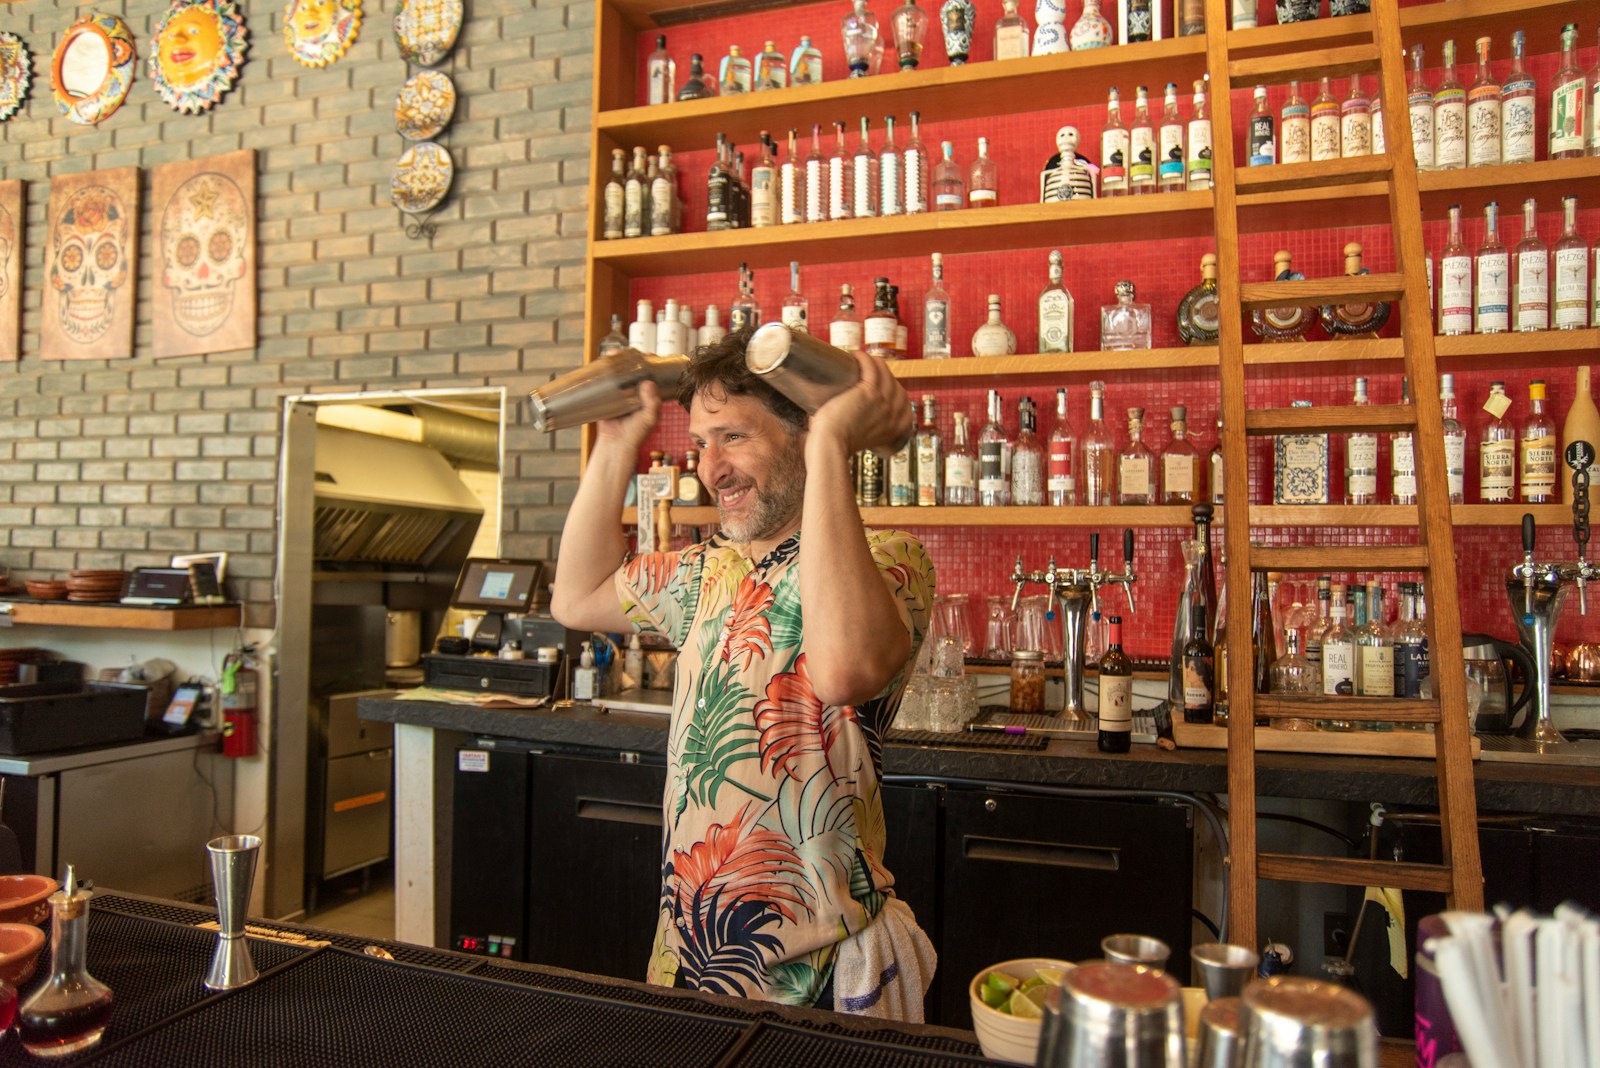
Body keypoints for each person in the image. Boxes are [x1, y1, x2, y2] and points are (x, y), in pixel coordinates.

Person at [551, 329, 937, 1015]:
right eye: (701, 443)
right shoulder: (705, 570)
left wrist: (830, 448)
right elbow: (575, 597)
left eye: (733, 438)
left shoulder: (889, 558)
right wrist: (615, 443)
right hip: (689, 953)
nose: (711, 468)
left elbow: (847, 669)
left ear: (801, 432)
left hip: (820, 969)